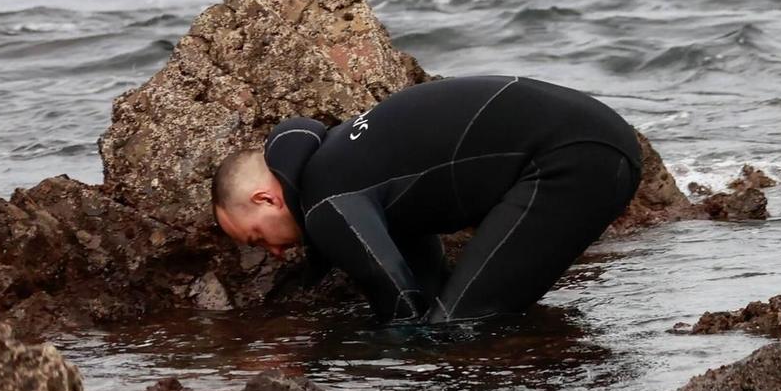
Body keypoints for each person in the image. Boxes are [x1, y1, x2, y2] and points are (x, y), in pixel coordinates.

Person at [212, 75, 643, 325]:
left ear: (267, 198)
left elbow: (400, 305)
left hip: (571, 159)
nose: (273, 252)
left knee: (454, 328)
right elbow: (423, 277)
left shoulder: (327, 204)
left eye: (256, 239)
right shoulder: (338, 159)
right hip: (601, 141)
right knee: (463, 311)